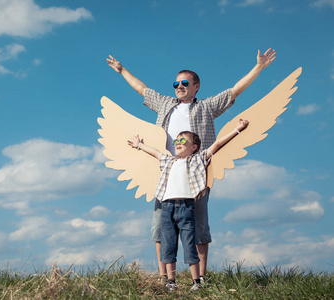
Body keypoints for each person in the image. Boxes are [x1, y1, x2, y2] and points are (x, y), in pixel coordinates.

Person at [107, 49, 276, 282]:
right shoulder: (166, 104)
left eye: (184, 82)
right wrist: (122, 70)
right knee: (160, 226)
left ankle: (201, 277)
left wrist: (259, 67)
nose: (179, 86)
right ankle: (165, 277)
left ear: (196, 86)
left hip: (197, 175)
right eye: (176, 83)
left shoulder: (206, 107)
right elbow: (142, 89)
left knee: (199, 225)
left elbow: (234, 91)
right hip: (166, 173)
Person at [127, 118, 249, 292]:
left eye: (183, 140)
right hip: (167, 207)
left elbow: (216, 145)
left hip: (186, 207)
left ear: (194, 147)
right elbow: (155, 152)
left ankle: (196, 282)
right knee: (168, 244)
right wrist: (139, 145)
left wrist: (237, 130)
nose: (178, 143)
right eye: (176, 140)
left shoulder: (197, 160)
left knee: (189, 244)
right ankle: (171, 281)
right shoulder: (169, 161)